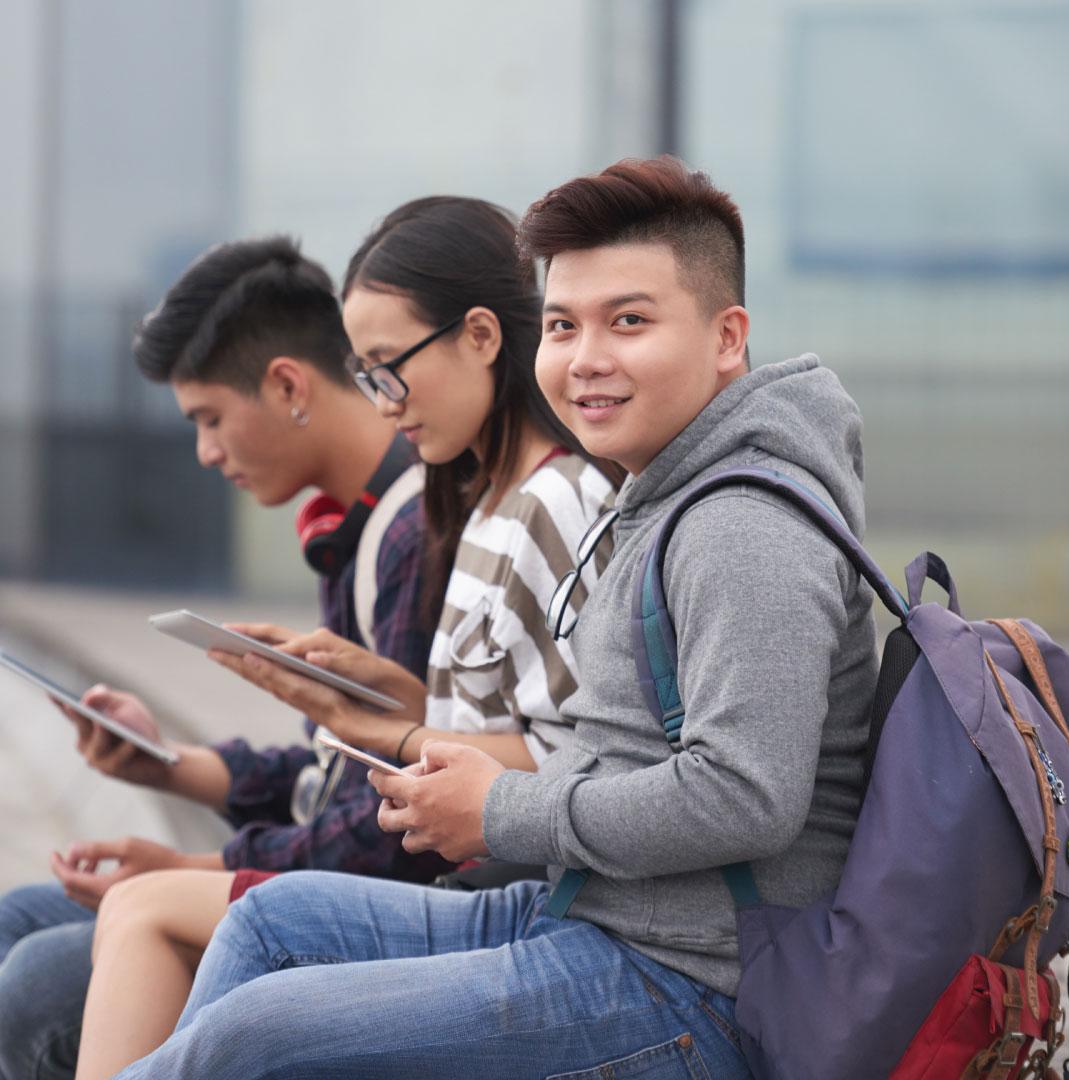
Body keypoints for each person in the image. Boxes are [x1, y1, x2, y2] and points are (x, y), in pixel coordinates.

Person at [111, 156, 879, 1080]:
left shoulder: (742, 523)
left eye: (629, 321)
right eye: (562, 324)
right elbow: (612, 747)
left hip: (693, 988)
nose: (586, 356)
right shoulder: (659, 495)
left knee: (255, 1037)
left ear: (727, 337)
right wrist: (431, 736)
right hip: (593, 916)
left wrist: (500, 809)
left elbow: (743, 797)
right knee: (271, 924)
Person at [77, 195, 620, 1079]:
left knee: (143, 931)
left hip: (517, 898)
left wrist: (397, 732)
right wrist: (384, 706)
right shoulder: (482, 504)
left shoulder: (554, 505)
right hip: (484, 883)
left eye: (385, 369)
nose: (382, 403)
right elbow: (516, 725)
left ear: (481, 338)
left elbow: (577, 761)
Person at [0, 236, 438, 1080]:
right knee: (22, 918)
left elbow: (391, 829)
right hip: (321, 877)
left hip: (364, 907)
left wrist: (190, 866)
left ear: (285, 384)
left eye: (208, 418)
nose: (205, 452)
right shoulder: (355, 530)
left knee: (33, 984)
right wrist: (168, 764)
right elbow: (332, 769)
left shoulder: (412, 533)